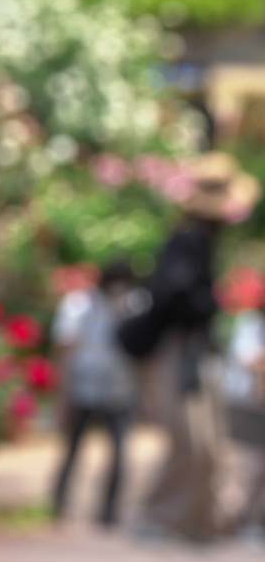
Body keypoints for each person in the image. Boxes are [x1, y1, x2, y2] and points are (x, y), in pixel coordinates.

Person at [137, 152, 261, 542]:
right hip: (178, 349)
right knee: (190, 440)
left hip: (194, 350)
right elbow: (173, 295)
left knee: (208, 443)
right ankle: (161, 519)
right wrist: (213, 301)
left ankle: (197, 522)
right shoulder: (188, 239)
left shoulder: (201, 241)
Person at [51, 260, 142, 526]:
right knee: (72, 451)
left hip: (119, 392)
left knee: (119, 455)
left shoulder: (135, 307)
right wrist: (62, 396)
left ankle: (109, 513)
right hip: (83, 390)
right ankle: (58, 505)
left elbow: (143, 357)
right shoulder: (79, 305)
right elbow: (64, 352)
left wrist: (148, 397)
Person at [221, 305, 265, 542]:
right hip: (246, 405)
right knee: (248, 466)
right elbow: (249, 359)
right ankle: (237, 520)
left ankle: (254, 519)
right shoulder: (249, 322)